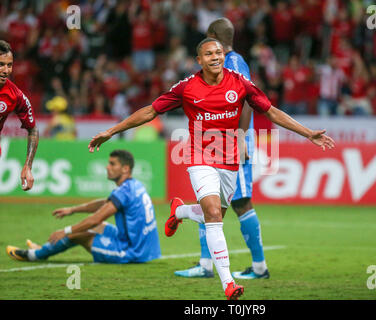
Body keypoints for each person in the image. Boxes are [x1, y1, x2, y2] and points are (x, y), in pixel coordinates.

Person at [87, 38, 335, 300]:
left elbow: (271, 111)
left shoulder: (239, 82)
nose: (215, 57)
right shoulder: (187, 87)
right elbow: (150, 111)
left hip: (229, 162)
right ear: (199, 60)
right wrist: (112, 131)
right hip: (199, 157)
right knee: (214, 214)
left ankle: (180, 210)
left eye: (218, 52)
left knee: (214, 214)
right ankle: (228, 283)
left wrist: (308, 134)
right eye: (209, 54)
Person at [173, 17, 270, 281]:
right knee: (212, 200)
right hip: (215, 144)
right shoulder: (228, 61)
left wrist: (240, 137)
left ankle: (259, 266)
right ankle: (206, 264)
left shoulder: (233, 61)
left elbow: (248, 100)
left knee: (240, 202)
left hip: (232, 144)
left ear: (213, 35)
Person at [7, 150, 161, 264]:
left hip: (131, 252)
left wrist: (65, 231)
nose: (107, 167)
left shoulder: (124, 191)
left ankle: (36, 254)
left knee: (78, 233)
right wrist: (73, 210)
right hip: (144, 248)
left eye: (112, 164)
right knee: (99, 226)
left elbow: (95, 219)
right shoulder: (134, 185)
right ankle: (44, 248)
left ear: (125, 169)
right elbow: (105, 204)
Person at [0, 40, 38, 191]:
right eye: (1, 64)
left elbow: (33, 129)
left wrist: (28, 166)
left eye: (9, 65)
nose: (6, 70)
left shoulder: (15, 95)